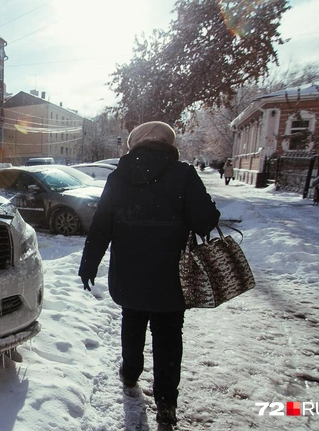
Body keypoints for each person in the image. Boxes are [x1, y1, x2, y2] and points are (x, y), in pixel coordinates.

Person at [77, 121, 220, 428]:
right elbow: (205, 221)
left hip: (129, 272)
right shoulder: (183, 174)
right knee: (168, 337)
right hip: (171, 276)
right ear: (169, 143)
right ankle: (166, 404)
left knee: (132, 322)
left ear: (134, 144)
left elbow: (102, 225)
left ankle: (130, 375)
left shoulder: (118, 177)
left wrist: (89, 263)